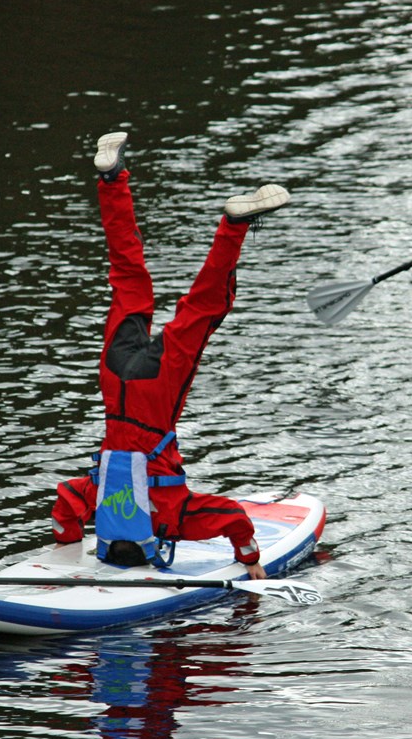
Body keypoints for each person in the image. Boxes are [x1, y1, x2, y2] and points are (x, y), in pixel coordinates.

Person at [50, 132, 290, 580]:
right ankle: (112, 178)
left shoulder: (171, 518)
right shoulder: (97, 491)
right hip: (115, 380)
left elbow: (233, 518)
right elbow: (65, 503)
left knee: (203, 307)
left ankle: (233, 226)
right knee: (127, 275)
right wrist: (67, 537)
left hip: (156, 397)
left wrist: (249, 557)